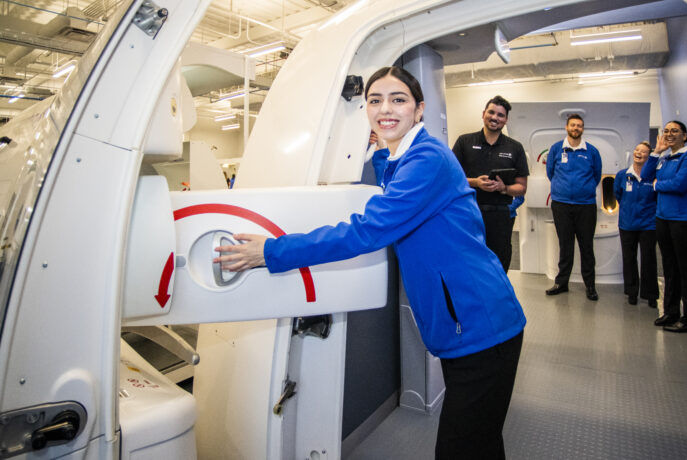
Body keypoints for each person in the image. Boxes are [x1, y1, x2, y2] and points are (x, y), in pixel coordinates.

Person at [214, 66, 526, 459]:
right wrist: (381, 152)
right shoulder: (410, 156)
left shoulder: (428, 160)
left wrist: (273, 251)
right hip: (469, 322)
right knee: (480, 441)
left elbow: (366, 231)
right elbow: (395, 184)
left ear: (420, 109)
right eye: (375, 100)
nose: (385, 108)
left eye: (398, 99)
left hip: (483, 325)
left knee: (461, 448)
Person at [640, 120, 687, 333]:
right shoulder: (665, 158)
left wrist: (658, 185)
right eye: (666, 131)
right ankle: (670, 312)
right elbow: (646, 176)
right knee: (669, 268)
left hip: (686, 220)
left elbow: (680, 184)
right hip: (664, 218)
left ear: (684, 136)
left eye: (674, 131)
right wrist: (656, 152)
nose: (669, 134)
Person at [452, 96, 528, 273]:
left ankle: (496, 299)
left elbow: (522, 187)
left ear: (506, 120)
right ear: (483, 114)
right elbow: (451, 178)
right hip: (470, 212)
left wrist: (504, 188)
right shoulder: (464, 142)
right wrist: (475, 182)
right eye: (491, 112)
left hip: (501, 215)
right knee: (470, 260)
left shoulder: (515, 148)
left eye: (500, 115)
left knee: (500, 261)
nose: (495, 117)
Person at [545, 114, 602, 300]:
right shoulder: (556, 149)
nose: (576, 128)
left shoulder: (591, 151)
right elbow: (550, 172)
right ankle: (561, 283)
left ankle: (590, 286)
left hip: (585, 206)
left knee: (586, 247)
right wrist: (562, 189)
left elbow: (596, 175)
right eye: (573, 125)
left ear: (583, 129)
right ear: (566, 127)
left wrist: (582, 190)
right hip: (561, 205)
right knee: (565, 245)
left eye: (579, 125)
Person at [614, 142, 659, 307]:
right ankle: (632, 292)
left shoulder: (653, 176)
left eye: (643, 151)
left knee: (649, 259)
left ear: (649, 156)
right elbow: (618, 195)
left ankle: (651, 295)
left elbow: (657, 198)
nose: (639, 153)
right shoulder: (622, 175)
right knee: (629, 258)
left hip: (648, 224)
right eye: (637, 150)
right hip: (627, 223)